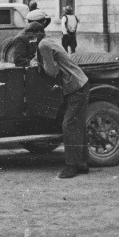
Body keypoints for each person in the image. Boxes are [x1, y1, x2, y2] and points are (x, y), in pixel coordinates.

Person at [36, 28, 91, 179]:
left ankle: (71, 166)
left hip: (75, 87)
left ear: (34, 35)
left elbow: (52, 71)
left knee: (69, 125)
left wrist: (41, 66)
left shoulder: (43, 46)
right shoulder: (49, 40)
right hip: (80, 84)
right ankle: (82, 163)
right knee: (78, 124)